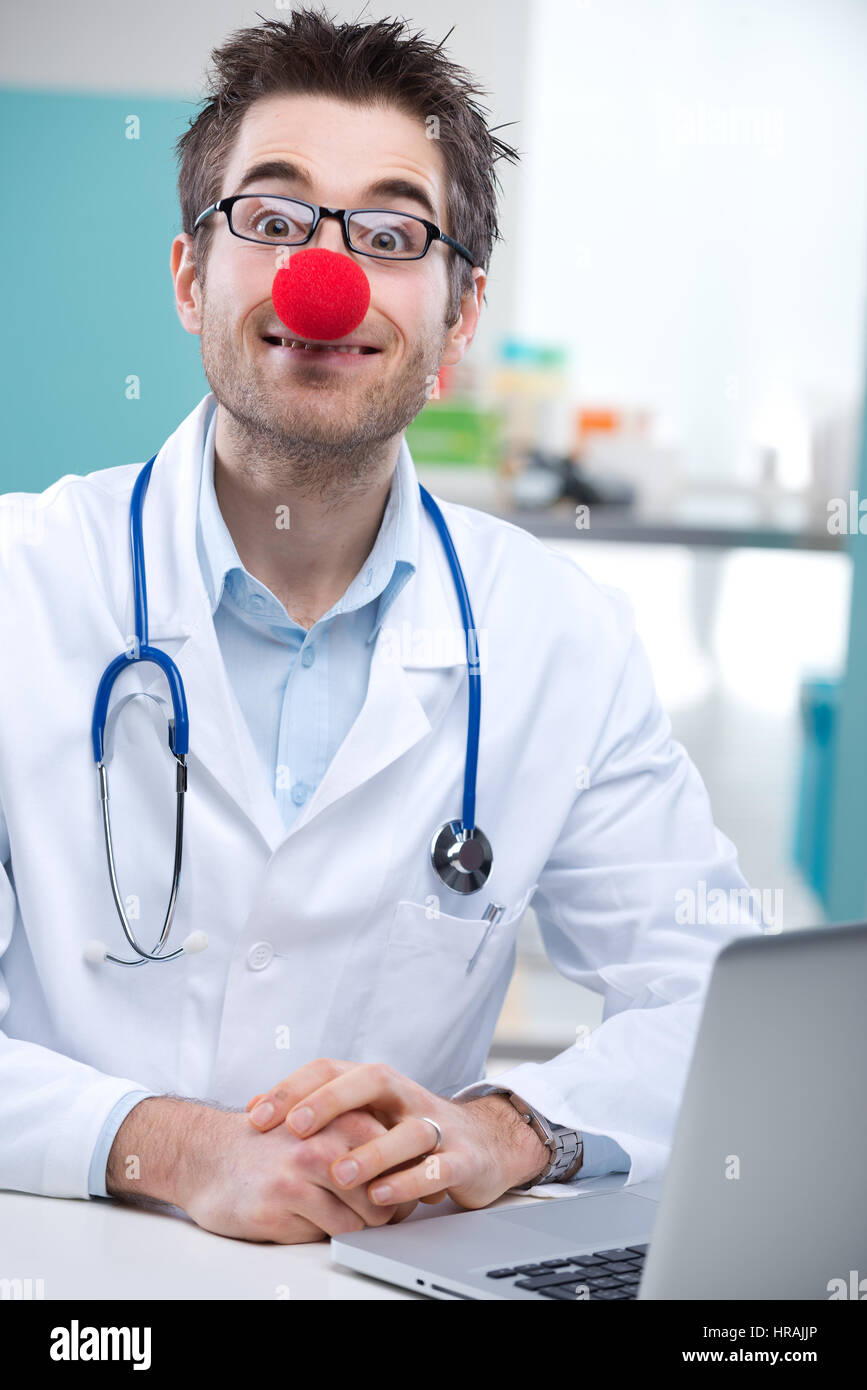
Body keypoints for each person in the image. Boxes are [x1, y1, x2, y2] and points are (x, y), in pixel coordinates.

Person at [0, 9, 763, 1245]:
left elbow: (724, 1001)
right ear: (193, 274)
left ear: (458, 317)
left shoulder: (561, 637)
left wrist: (512, 1128)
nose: (328, 276)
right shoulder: (19, 587)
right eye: (276, 217)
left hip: (384, 1282)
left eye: (393, 232)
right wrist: (174, 1145)